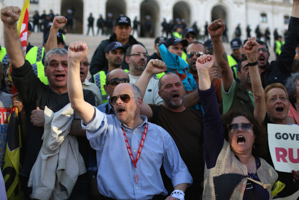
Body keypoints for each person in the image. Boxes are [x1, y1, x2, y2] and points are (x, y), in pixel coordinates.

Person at [67, 41, 193, 199]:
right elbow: (77, 103)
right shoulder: (105, 126)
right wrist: (73, 62)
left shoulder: (159, 134)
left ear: (139, 102)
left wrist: (178, 193)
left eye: (125, 98)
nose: (118, 102)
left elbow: (179, 170)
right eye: (114, 99)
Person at [1, 6, 96, 199]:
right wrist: (9, 26)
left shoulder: (86, 97)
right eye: (53, 64)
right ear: (45, 71)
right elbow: (17, 60)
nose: (59, 68)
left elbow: (88, 129)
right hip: (34, 174)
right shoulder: (35, 90)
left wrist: (48, 120)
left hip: (76, 179)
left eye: (65, 63)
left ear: (73, 69)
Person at [196, 52, 277, 199]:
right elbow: (211, 114)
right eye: (233, 127)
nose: (239, 129)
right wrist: (203, 73)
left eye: (245, 126)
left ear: (255, 134)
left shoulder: (268, 170)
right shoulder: (218, 154)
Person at [135, 66, 204, 199]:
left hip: (196, 186)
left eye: (178, 85)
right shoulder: (155, 114)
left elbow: (204, 149)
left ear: (183, 89)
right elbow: (133, 100)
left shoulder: (196, 116)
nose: (174, 88)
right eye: (168, 86)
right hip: (165, 190)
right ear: (160, 94)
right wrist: (148, 72)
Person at [257, 0, 299, 88]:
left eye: (264, 50)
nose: (261, 52)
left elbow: (290, 41)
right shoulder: (247, 74)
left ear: (268, 54)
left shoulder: (278, 68)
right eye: (257, 51)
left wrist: (296, 4)